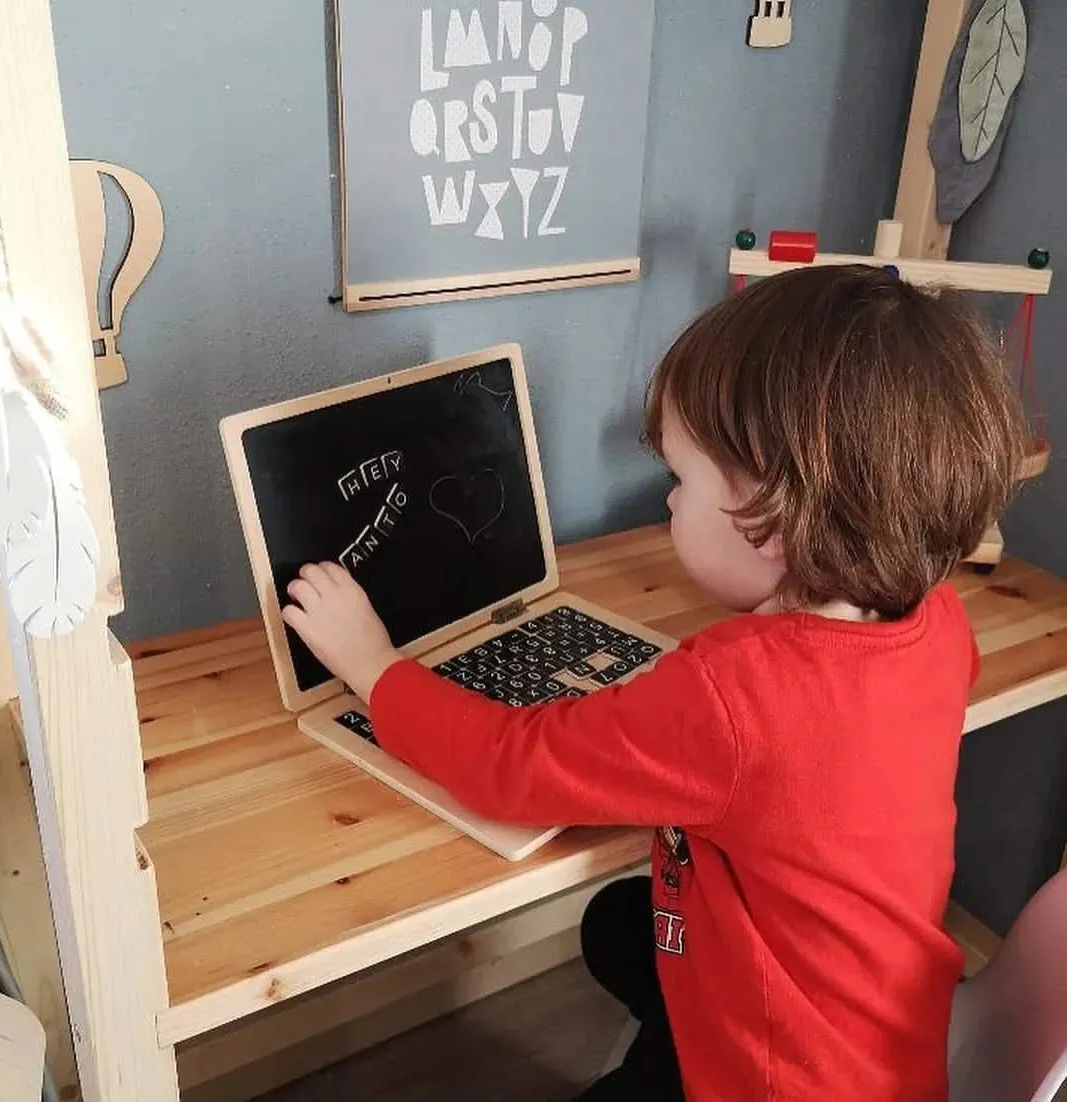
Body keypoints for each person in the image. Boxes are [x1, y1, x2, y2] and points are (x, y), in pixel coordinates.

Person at [281, 264, 1025, 1101]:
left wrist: (375, 667)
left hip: (773, 1082)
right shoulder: (932, 621)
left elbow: (509, 767)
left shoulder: (734, 696)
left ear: (774, 517)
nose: (667, 505)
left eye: (681, 481)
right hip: (878, 1041)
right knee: (617, 923)